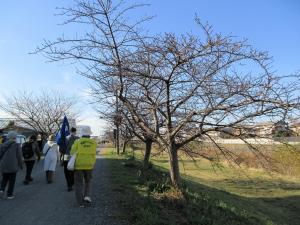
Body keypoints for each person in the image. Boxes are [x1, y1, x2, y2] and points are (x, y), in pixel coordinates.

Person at [70, 127, 96, 207]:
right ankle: (87, 196)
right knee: (88, 181)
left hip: (79, 165)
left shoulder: (77, 141)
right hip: (89, 165)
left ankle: (80, 203)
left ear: (82, 134)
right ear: (89, 134)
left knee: (78, 183)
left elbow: (72, 152)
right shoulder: (93, 142)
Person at [0, 131, 23, 199]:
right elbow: (19, 156)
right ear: (14, 137)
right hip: (13, 165)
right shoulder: (16, 145)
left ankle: (1, 190)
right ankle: (9, 195)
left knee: (4, 178)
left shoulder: (3, 145)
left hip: (3, 165)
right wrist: (21, 164)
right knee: (12, 180)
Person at [63, 127, 79, 191]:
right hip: (74, 156)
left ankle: (69, 185)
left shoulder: (66, 138)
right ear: (75, 131)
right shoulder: (78, 138)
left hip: (66, 155)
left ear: (70, 131)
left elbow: (62, 147)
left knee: (66, 171)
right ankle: (72, 183)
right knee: (73, 170)